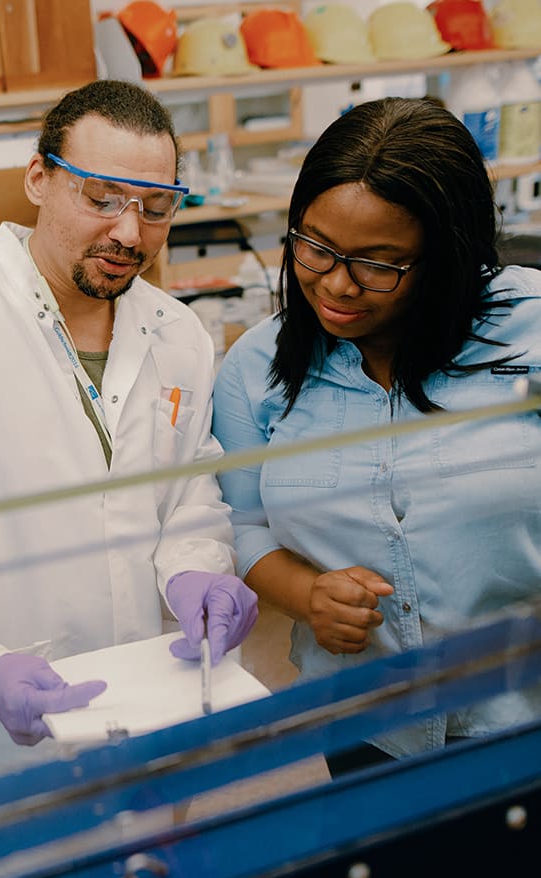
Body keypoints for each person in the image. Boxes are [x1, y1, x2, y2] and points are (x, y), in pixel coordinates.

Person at [0, 79, 258, 789]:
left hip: (163, 701)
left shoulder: (178, 332)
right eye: (102, 199)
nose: (130, 233)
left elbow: (189, 494)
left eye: (157, 208)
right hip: (5, 733)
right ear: (38, 178)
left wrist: (195, 569)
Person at [212, 96, 541, 775]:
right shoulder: (256, 369)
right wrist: (308, 596)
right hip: (365, 719)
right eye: (314, 246)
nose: (336, 284)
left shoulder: (529, 335)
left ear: (446, 257)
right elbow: (243, 525)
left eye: (379, 263)